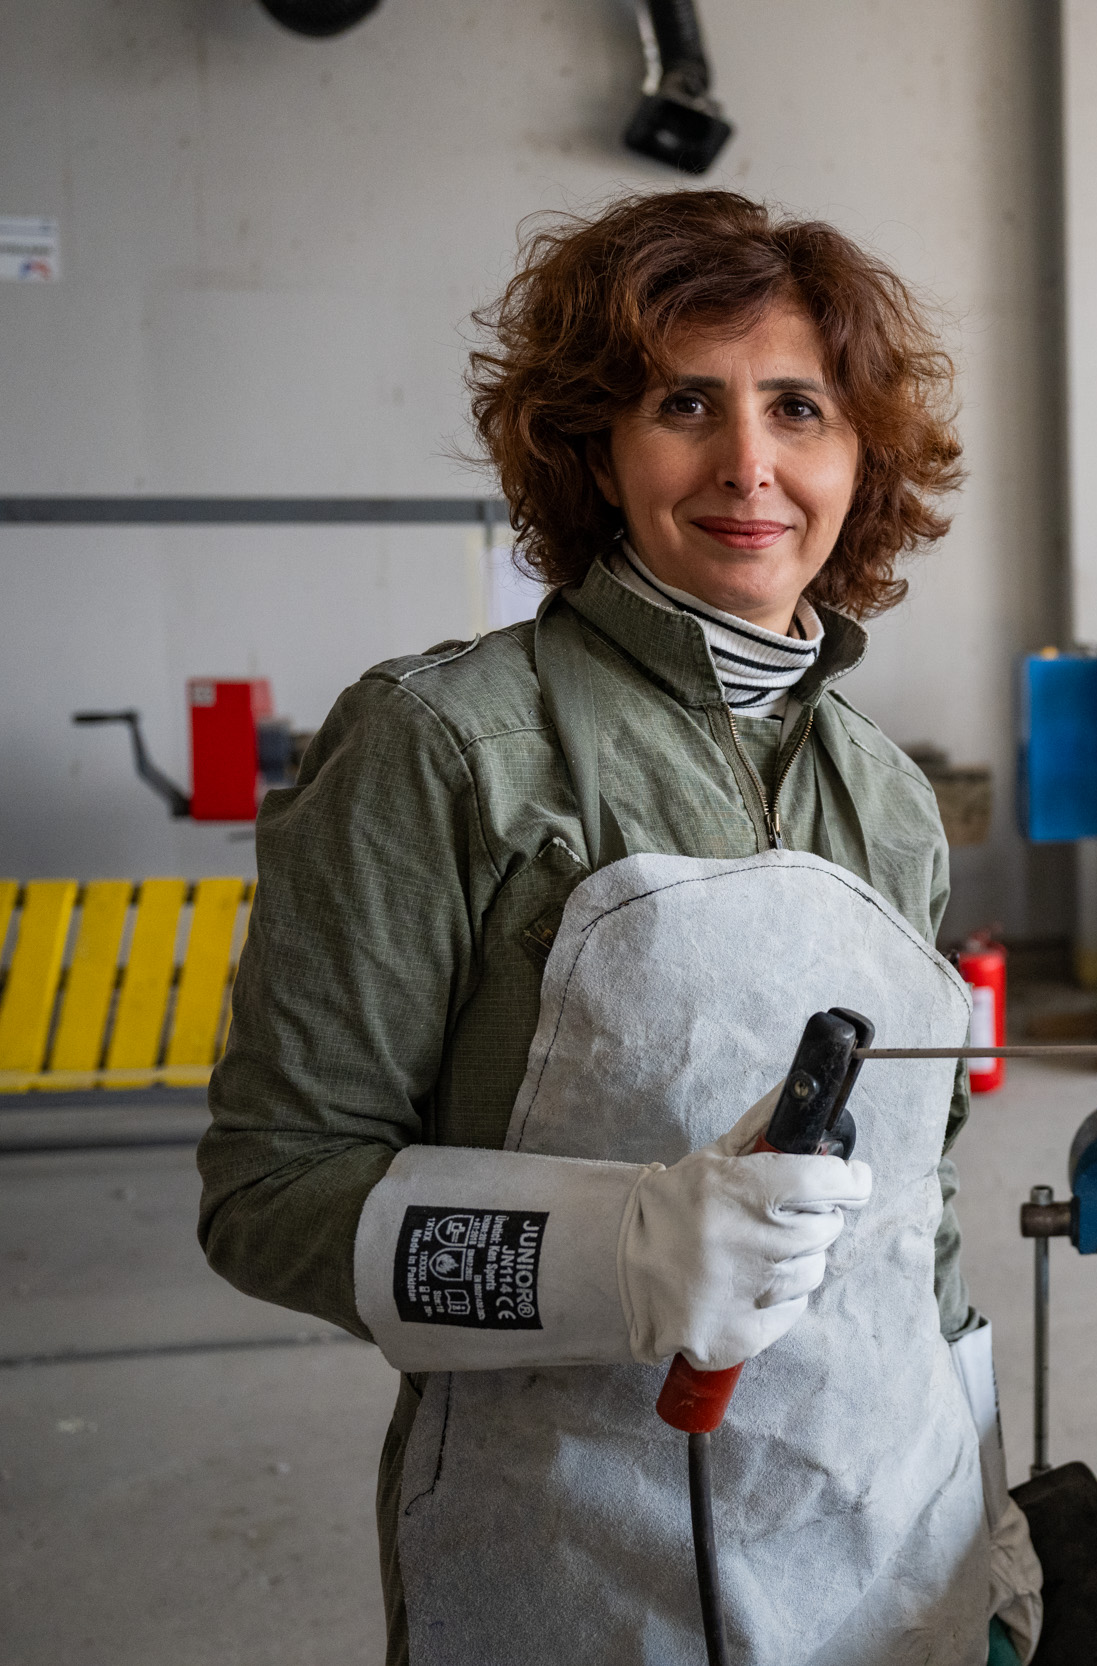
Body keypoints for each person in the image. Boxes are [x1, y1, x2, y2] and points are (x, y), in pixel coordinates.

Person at [197, 191, 1040, 1666]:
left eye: (800, 407)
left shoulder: (890, 795)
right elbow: (273, 1188)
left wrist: (985, 1514)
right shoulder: (449, 744)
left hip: (884, 1545)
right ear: (594, 443)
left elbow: (925, 1211)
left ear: (861, 457)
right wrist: (612, 1254)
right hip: (574, 1571)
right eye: (685, 403)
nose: (750, 465)